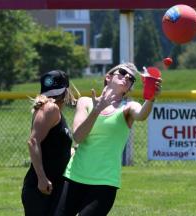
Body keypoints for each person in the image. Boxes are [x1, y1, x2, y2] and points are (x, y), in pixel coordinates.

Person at [54, 62, 162, 216]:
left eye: (131, 78)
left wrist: (151, 99)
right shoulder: (85, 102)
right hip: (75, 176)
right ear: (108, 77)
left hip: (105, 182)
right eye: (122, 73)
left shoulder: (128, 107)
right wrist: (96, 110)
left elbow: (142, 115)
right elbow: (78, 137)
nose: (127, 77)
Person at [21, 70, 77, 216]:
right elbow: (33, 141)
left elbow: (52, 147)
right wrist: (42, 178)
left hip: (56, 185)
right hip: (43, 187)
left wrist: (72, 151)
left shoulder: (52, 110)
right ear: (66, 90)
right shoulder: (50, 108)